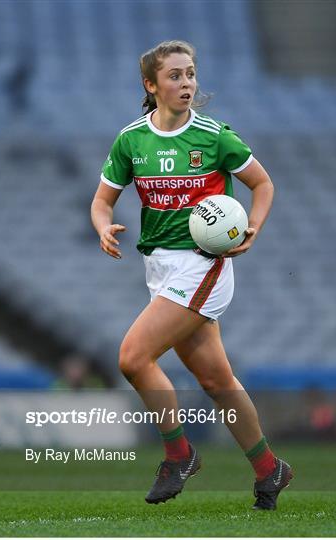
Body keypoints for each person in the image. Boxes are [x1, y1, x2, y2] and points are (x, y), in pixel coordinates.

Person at [91, 40, 293, 510]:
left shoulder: (214, 136)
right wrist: (104, 227)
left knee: (132, 357)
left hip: (203, 265)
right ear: (151, 85)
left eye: (190, 74)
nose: (187, 84)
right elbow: (102, 200)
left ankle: (179, 455)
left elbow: (262, 183)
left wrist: (254, 226)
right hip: (160, 267)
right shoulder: (131, 140)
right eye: (175, 76)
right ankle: (270, 469)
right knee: (218, 381)